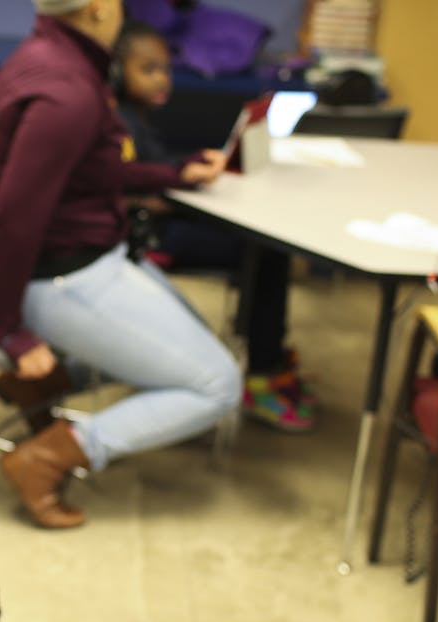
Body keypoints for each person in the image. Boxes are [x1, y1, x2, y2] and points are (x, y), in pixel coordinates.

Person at [0, 0, 242, 529]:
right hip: (55, 276)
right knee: (218, 384)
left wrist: (173, 173)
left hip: (78, 259)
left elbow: (90, 172)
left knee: (195, 344)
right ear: (98, 9)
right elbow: (14, 218)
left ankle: (46, 386)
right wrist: (11, 332)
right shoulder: (67, 91)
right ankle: (44, 459)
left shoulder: (53, 56)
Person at [111, 21, 317, 433]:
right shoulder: (117, 124)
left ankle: (267, 356)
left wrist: (190, 166)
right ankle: (261, 369)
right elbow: (132, 190)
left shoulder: (139, 117)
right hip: (151, 236)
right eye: (148, 70)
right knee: (264, 252)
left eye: (166, 69)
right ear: (117, 72)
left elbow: (158, 165)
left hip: (169, 216)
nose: (162, 80)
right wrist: (182, 181)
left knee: (267, 246)